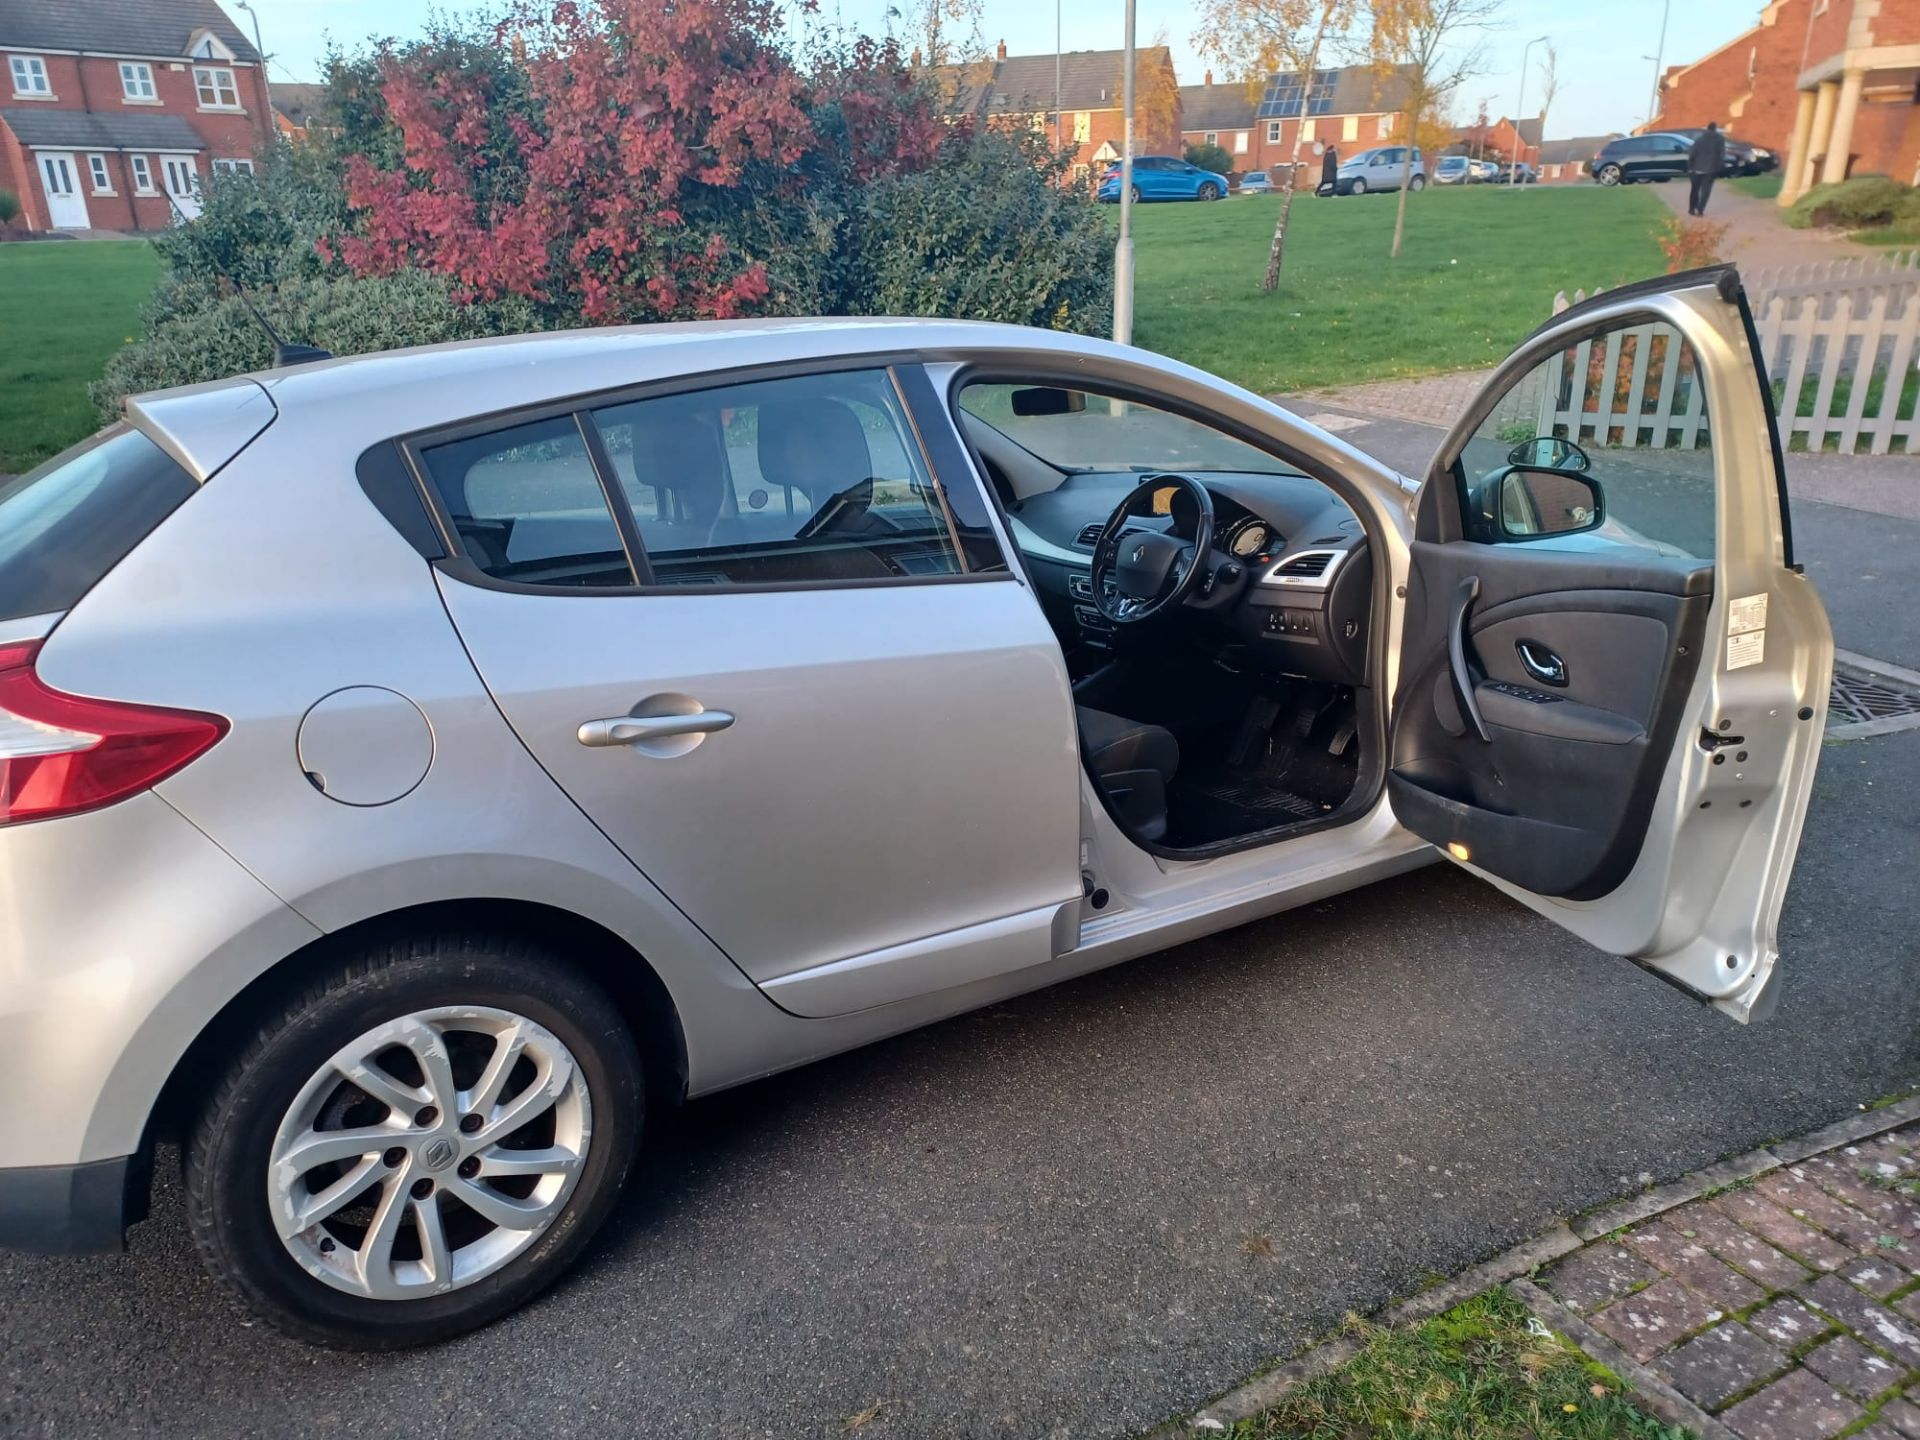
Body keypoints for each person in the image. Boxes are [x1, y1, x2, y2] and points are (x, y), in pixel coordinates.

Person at [1688, 122, 1726, 217]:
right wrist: (1719, 167)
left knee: (1695, 190)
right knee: (1706, 190)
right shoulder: (1720, 139)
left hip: (1697, 168)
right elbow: (1721, 155)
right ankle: (1700, 210)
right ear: (1715, 129)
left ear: (1707, 128)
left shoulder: (1699, 139)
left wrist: (1690, 166)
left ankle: (1691, 209)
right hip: (1711, 169)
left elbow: (1692, 154)